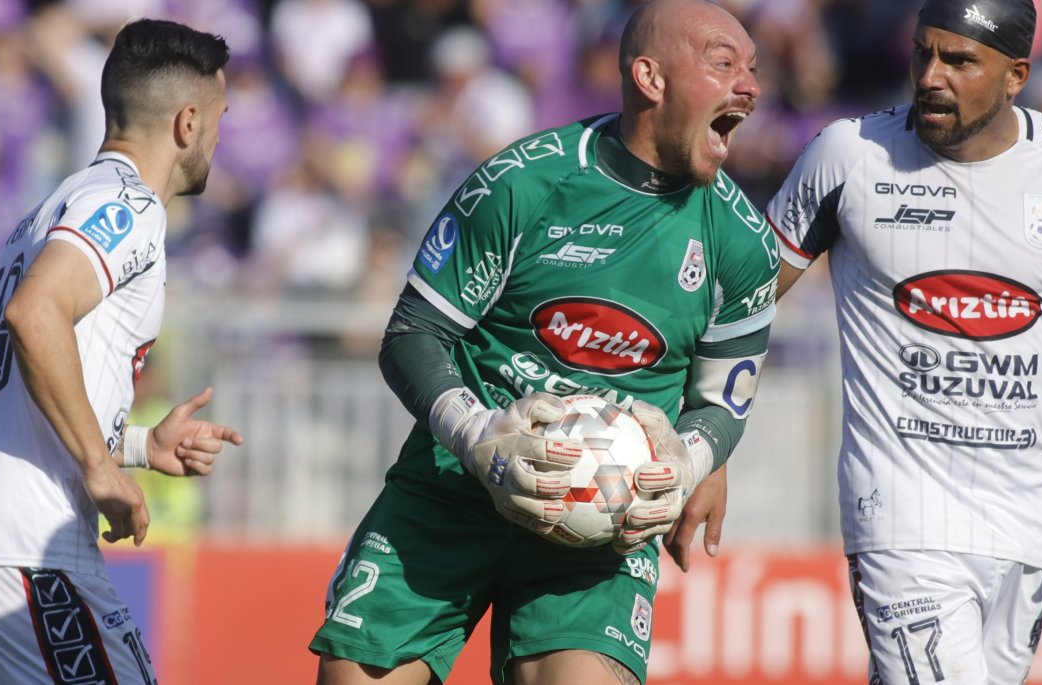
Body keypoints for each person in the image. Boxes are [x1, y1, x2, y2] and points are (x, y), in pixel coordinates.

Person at [310, 1, 778, 683]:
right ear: (651, 77)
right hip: (451, 488)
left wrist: (688, 461)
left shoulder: (741, 243)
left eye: (754, 69)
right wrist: (478, 437)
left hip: (603, 531)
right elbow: (414, 330)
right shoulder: (523, 184)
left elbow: (723, 403)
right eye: (724, 63)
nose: (751, 87)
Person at [0, 19, 243, 684]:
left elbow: (29, 375)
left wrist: (136, 446)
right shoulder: (125, 206)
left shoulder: (52, 207)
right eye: (219, 118)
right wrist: (100, 464)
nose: (218, 136)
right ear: (187, 121)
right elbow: (35, 314)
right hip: (29, 553)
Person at [765, 0, 1042, 682]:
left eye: (958, 60)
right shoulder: (850, 155)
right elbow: (743, 302)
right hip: (901, 517)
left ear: (1016, 74)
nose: (931, 76)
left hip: (1023, 524)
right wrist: (705, 438)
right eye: (923, 53)